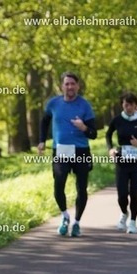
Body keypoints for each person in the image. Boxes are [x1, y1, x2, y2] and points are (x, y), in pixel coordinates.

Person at [38, 71, 97, 237]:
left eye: (73, 84)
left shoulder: (85, 106)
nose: (70, 87)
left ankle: (77, 223)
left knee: (81, 188)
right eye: (67, 84)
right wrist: (42, 140)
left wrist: (83, 127)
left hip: (81, 151)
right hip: (61, 150)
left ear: (78, 86)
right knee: (58, 185)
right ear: (61, 86)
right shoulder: (53, 103)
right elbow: (44, 121)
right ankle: (65, 216)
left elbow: (93, 134)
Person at [106, 93, 137, 234]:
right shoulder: (118, 119)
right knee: (122, 195)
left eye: (131, 105)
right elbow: (108, 134)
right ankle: (124, 213)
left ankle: (133, 222)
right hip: (122, 161)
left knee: (134, 193)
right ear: (122, 105)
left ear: (135, 105)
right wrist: (111, 149)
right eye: (126, 104)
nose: (128, 107)